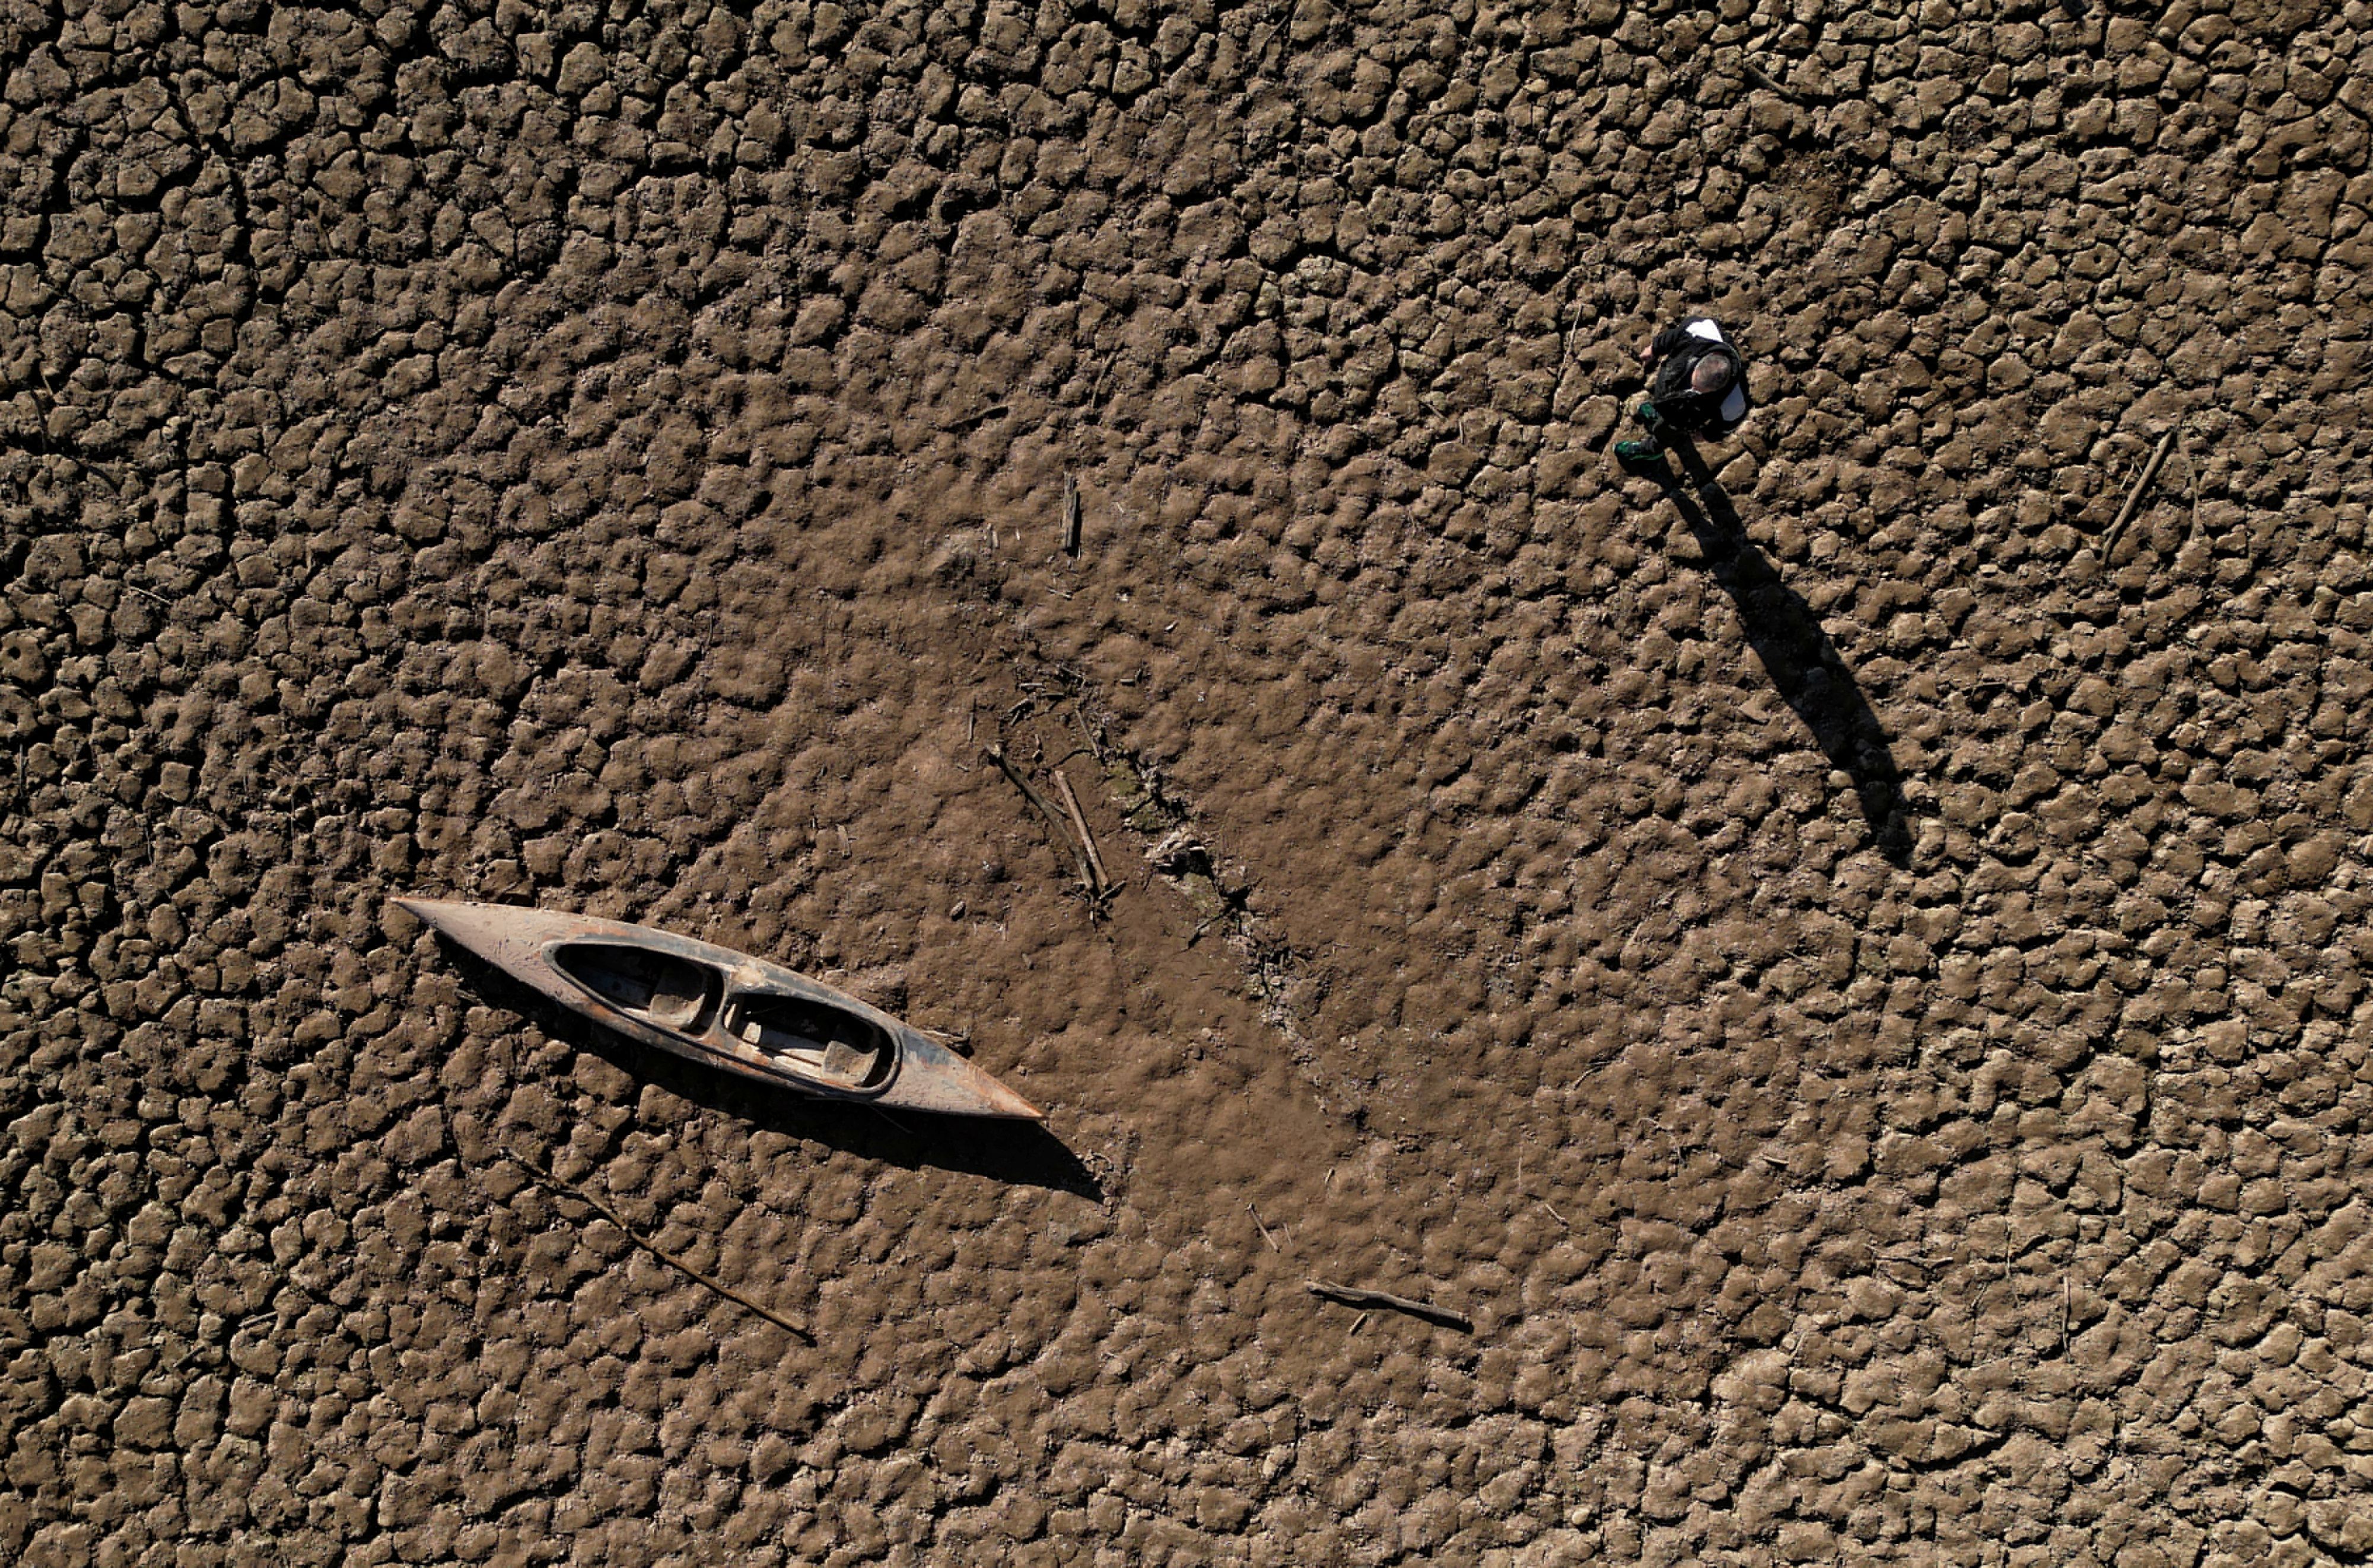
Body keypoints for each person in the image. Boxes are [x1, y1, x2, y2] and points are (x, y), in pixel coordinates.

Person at [1614, 317, 1749, 472]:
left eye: (1697, 390)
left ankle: (1651, 450)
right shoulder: (1701, 331)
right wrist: (1654, 348)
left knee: (1666, 432)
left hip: (1683, 419)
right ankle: (1658, 414)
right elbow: (1675, 335)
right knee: (1661, 405)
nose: (1690, 389)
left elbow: (1727, 426)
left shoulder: (1735, 401)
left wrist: (1706, 436)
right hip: (1667, 390)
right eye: (1693, 383)